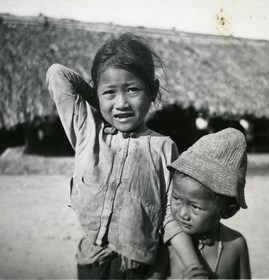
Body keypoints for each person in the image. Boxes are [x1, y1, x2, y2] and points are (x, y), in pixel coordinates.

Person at [46, 33, 206, 279]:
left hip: (139, 268)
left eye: (132, 89)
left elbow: (168, 214)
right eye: (110, 92)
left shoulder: (163, 146)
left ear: (152, 90)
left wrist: (194, 267)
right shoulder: (88, 132)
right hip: (92, 263)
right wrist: (98, 104)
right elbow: (58, 73)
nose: (121, 103)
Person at [167, 128, 251, 279]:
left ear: (228, 211)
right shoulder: (168, 243)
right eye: (176, 199)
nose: (182, 214)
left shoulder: (236, 244)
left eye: (195, 207)